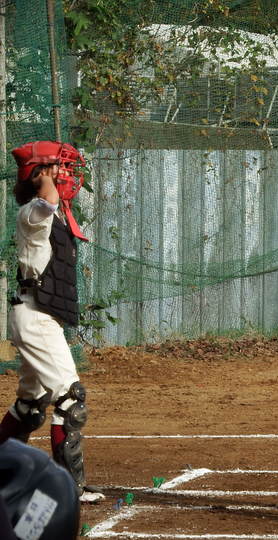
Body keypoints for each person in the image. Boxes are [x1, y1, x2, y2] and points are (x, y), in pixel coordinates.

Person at [0, 141, 104, 503]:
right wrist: (43, 176)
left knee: (31, 405)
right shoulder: (33, 212)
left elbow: (54, 203)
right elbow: (47, 199)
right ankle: (68, 488)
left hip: (41, 317)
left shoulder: (56, 215)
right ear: (38, 175)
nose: (67, 175)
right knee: (70, 399)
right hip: (35, 319)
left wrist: (48, 172)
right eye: (59, 168)